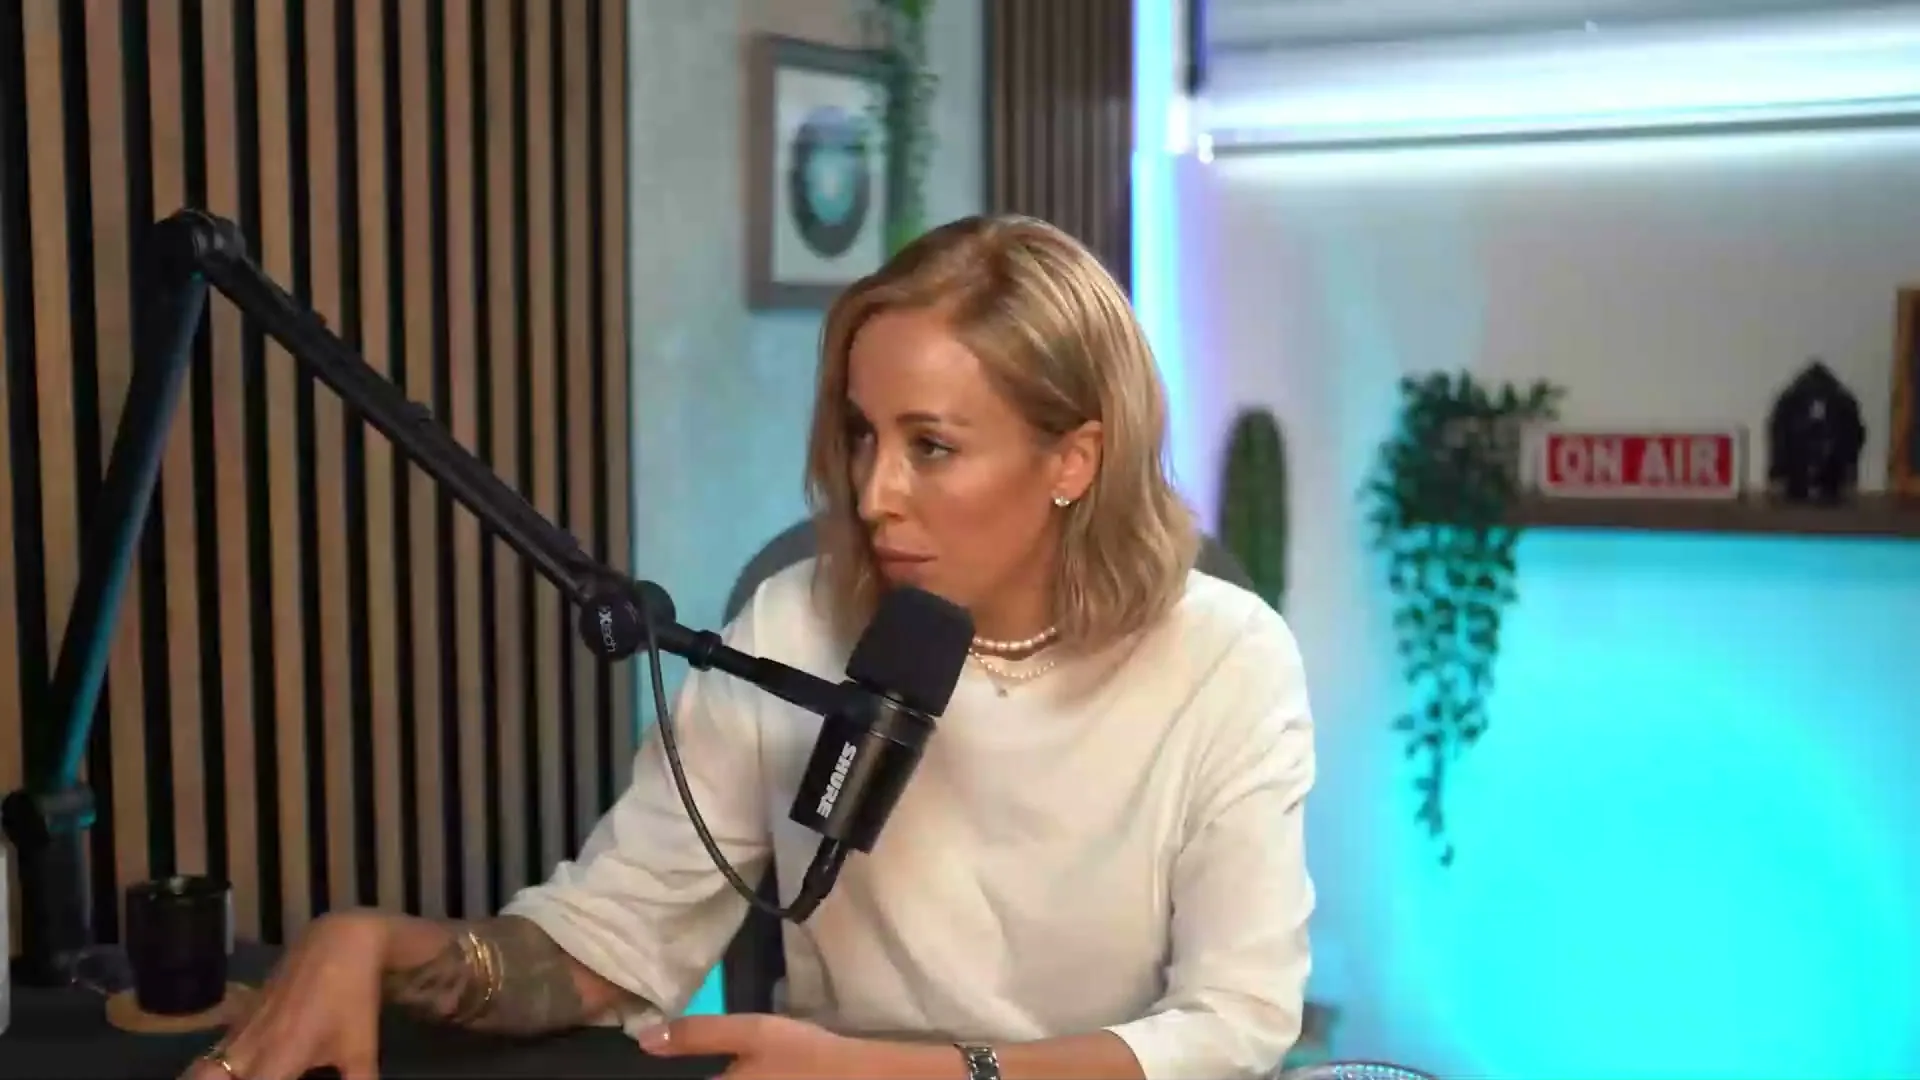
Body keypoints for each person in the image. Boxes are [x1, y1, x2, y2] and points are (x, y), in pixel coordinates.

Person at [183, 215, 1316, 1080]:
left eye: (931, 446)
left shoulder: (1227, 660)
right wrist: (383, 949)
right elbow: (614, 936)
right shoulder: (795, 623)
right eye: (863, 435)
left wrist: (911, 1077)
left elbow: (1235, 1024)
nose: (874, 494)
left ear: (1073, 460)